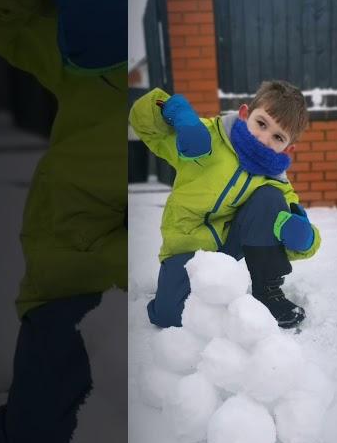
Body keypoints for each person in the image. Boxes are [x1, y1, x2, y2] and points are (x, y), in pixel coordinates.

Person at [0, 0, 128, 443]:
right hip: (71, 276)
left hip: (155, 284)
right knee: (40, 442)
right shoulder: (83, 32)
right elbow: (11, 14)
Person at [129, 80, 321, 330]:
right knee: (170, 318)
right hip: (187, 246)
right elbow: (144, 123)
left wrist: (304, 239)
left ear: (288, 147)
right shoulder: (208, 136)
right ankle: (198, 298)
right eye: (261, 124)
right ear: (244, 114)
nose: (264, 139)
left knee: (270, 198)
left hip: (231, 246)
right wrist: (174, 111)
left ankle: (267, 292)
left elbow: (298, 228)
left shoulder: (275, 179)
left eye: (277, 136)